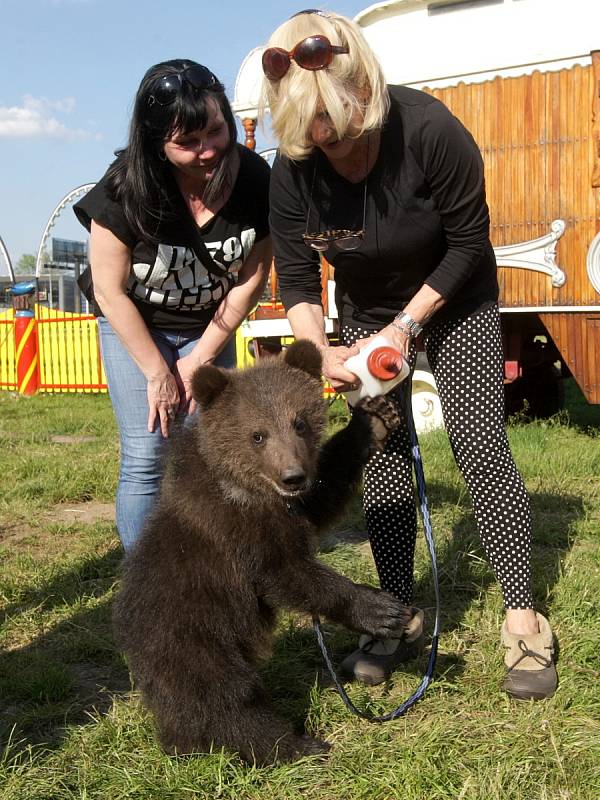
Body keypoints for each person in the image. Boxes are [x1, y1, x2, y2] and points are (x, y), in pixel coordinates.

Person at [261, 10, 557, 700]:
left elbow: (468, 241)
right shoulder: (294, 168)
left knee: (479, 442)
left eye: (342, 136)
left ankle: (522, 617)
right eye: (316, 142)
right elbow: (300, 279)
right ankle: (390, 614)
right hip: (365, 315)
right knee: (384, 452)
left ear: (364, 90)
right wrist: (320, 350)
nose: (332, 154)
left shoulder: (429, 131)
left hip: (455, 298)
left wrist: (406, 326)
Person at [75, 59, 271, 552]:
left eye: (216, 131)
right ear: (155, 144)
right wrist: (160, 373)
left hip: (211, 328)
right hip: (137, 327)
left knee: (211, 449)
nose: (207, 152)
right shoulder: (125, 189)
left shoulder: (253, 179)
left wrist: (201, 357)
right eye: (187, 144)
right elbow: (108, 291)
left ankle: (209, 559)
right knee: (147, 453)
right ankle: (150, 577)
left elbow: (252, 277)